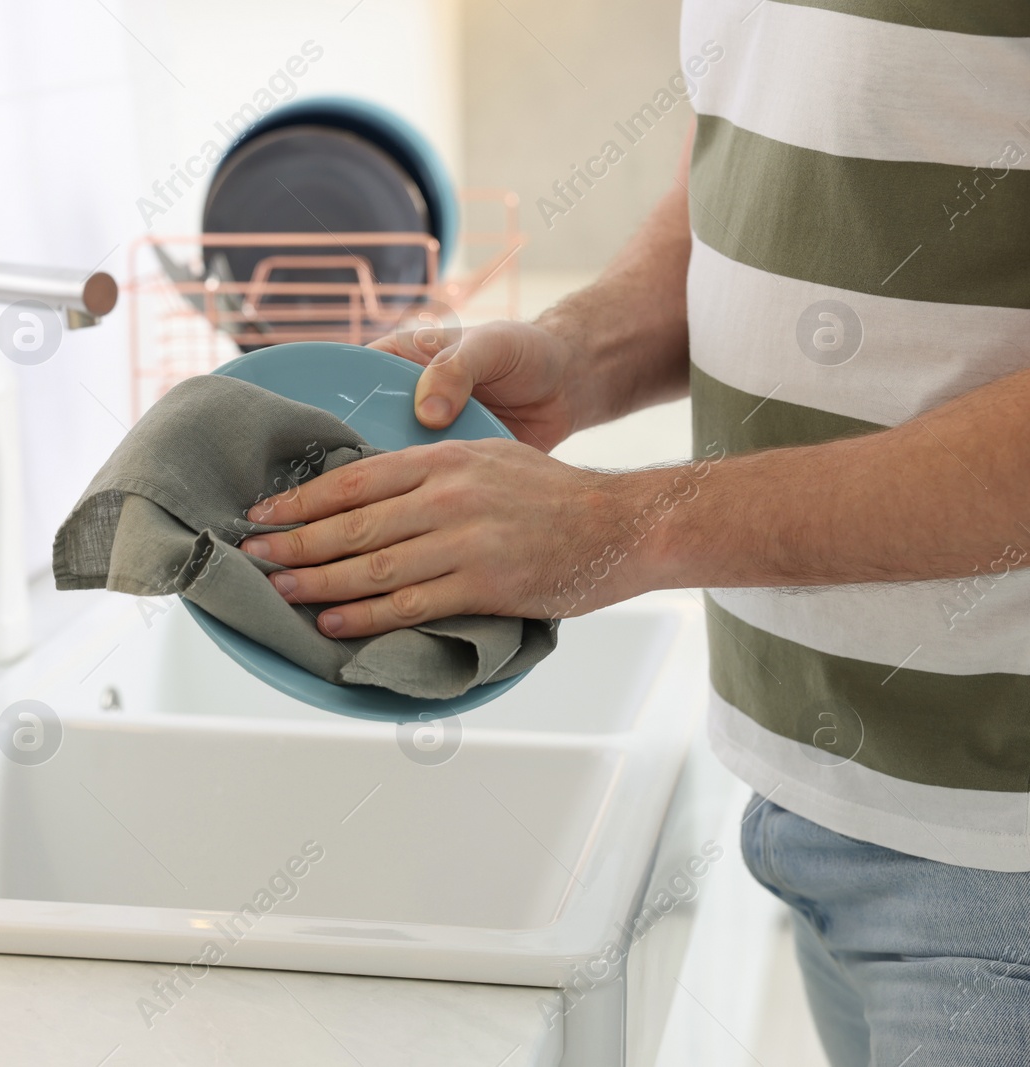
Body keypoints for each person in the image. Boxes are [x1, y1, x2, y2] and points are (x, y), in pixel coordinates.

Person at [237, 4, 1030, 1063]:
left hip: (997, 854)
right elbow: (753, 159)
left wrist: (622, 526)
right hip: (816, 791)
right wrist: (581, 349)